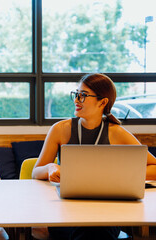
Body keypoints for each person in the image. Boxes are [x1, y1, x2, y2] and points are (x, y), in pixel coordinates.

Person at [31, 73, 156, 240]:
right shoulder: (60, 129)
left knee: (94, 230)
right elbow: (36, 172)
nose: (76, 100)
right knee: (87, 231)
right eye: (76, 94)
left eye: (83, 96)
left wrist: (120, 175)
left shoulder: (117, 133)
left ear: (102, 102)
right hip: (66, 211)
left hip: (105, 213)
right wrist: (50, 167)